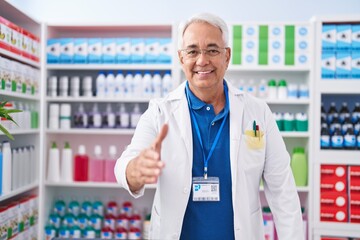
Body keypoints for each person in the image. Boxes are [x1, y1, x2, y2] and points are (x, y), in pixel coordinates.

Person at [115, 12, 304, 240]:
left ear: (227, 56)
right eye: (192, 51)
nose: (202, 60)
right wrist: (137, 169)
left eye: (212, 50)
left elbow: (283, 191)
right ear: (181, 58)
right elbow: (125, 166)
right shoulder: (160, 112)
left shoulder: (257, 112)